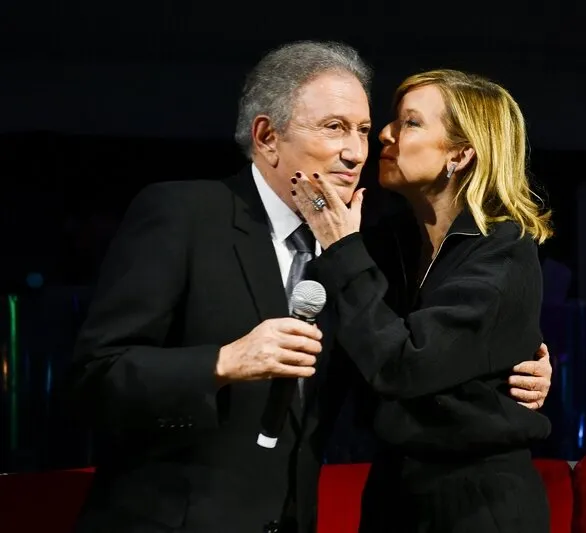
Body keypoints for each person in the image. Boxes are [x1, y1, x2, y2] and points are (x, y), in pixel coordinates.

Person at [68, 41, 552, 533]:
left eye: (363, 130)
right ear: (267, 136)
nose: (359, 149)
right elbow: (92, 379)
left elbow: (404, 355)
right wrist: (222, 363)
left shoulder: (351, 250)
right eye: (335, 127)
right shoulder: (185, 214)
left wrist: (512, 367)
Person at [292, 68, 553, 533]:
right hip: (393, 490)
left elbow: (403, 365)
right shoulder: (390, 242)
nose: (386, 134)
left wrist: (340, 249)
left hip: (474, 504)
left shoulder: (504, 252)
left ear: (460, 153)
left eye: (410, 122)